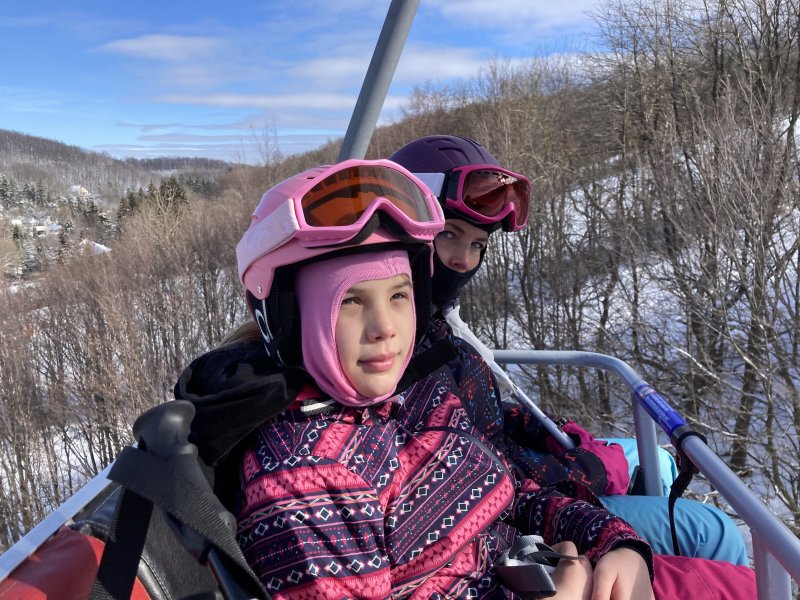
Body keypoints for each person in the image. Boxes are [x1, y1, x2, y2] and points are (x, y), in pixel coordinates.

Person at [175, 158, 756, 599]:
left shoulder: (415, 392)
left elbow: (511, 490)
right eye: (351, 301)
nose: (385, 328)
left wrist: (615, 542)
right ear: (288, 317)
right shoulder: (308, 482)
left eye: (398, 296)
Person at [388, 134, 749, 566]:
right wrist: (586, 469)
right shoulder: (397, 353)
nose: (464, 260)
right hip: (518, 520)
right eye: (449, 234)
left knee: (652, 458)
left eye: (478, 244)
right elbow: (478, 471)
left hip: (530, 487)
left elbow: (479, 413)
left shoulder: (435, 330)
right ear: (404, 231)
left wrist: (547, 430)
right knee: (712, 531)